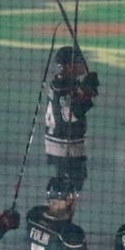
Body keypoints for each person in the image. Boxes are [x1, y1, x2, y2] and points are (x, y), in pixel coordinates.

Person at [44, 45, 99, 192]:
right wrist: (86, 91)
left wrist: (86, 90)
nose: (83, 63)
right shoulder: (62, 87)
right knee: (68, 193)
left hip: (63, 148)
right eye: (79, 60)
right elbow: (71, 115)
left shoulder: (63, 83)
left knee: (66, 191)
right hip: (65, 149)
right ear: (69, 66)